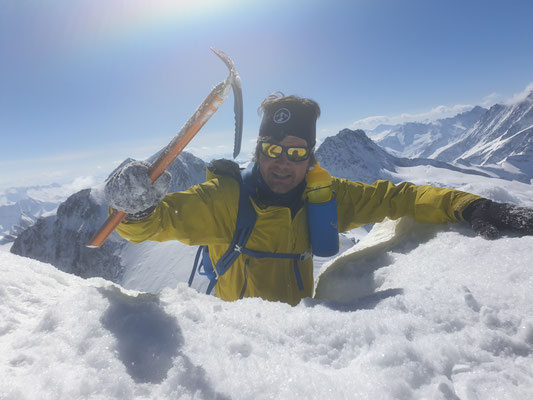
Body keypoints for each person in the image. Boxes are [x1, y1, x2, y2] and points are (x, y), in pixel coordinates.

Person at [105, 94, 533, 306]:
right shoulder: (224, 198)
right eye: (273, 149)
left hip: (302, 342)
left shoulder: (324, 197)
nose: (283, 163)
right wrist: (134, 204)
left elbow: (399, 196)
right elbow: (152, 223)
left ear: (310, 156)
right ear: (258, 151)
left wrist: (469, 205)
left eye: (296, 152)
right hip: (235, 345)